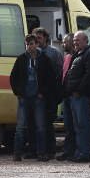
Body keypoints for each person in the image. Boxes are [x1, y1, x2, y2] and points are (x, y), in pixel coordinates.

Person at [10, 34, 56, 161]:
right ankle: (17, 153)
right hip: (24, 98)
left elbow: (50, 78)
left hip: (38, 98)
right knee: (21, 126)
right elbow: (13, 77)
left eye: (31, 44)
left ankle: (41, 153)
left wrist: (43, 92)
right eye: (27, 44)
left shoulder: (44, 59)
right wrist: (18, 93)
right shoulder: (21, 59)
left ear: (36, 44)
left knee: (40, 126)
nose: (29, 47)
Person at [64, 31, 90, 162]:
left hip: (82, 96)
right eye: (74, 41)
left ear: (85, 40)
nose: (75, 43)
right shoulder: (78, 54)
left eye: (78, 40)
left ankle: (84, 154)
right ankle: (79, 152)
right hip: (74, 95)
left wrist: (79, 90)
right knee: (77, 125)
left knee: (83, 125)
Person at [33, 27, 63, 158]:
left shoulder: (54, 53)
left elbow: (59, 72)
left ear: (45, 38)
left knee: (48, 123)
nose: (37, 40)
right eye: (35, 38)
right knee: (36, 123)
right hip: (35, 94)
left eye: (39, 37)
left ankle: (50, 150)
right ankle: (37, 150)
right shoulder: (32, 52)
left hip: (50, 93)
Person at [57, 33, 76, 161]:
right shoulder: (66, 56)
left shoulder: (75, 57)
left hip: (73, 95)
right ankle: (68, 151)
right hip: (66, 95)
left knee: (75, 126)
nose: (63, 44)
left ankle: (73, 151)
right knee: (68, 126)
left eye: (65, 42)